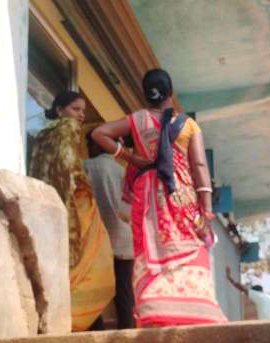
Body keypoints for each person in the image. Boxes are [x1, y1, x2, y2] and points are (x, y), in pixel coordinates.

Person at [92, 69, 227, 328]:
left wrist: (130, 156)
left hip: (147, 196)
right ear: (170, 92)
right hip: (181, 195)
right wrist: (207, 210)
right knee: (189, 242)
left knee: (150, 245)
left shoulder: (137, 120)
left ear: (145, 94)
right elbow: (199, 165)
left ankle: (155, 309)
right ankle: (196, 309)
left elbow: (99, 133)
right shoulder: (188, 125)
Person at [29, 89, 115, 332]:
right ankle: (81, 320)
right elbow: (69, 167)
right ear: (59, 110)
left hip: (46, 208)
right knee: (92, 266)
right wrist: (84, 185)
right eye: (75, 109)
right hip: (74, 206)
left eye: (82, 111)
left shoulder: (41, 137)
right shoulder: (67, 129)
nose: (80, 115)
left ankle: (71, 319)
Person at [84, 131, 135, 329]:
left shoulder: (84, 167)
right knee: (124, 294)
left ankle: (96, 333)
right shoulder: (122, 171)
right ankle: (128, 334)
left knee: (92, 293)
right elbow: (129, 209)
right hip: (123, 239)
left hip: (95, 240)